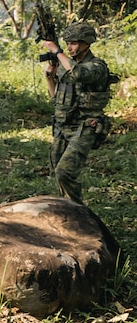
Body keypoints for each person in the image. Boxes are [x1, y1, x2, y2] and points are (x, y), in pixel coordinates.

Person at [41, 22, 113, 203]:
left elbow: (78, 73)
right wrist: (50, 77)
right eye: (68, 43)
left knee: (64, 172)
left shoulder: (96, 67)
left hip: (85, 126)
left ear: (86, 43)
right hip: (63, 126)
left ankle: (79, 214)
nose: (69, 47)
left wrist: (57, 52)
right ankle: (69, 210)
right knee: (58, 171)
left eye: (74, 43)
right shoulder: (67, 66)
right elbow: (55, 97)